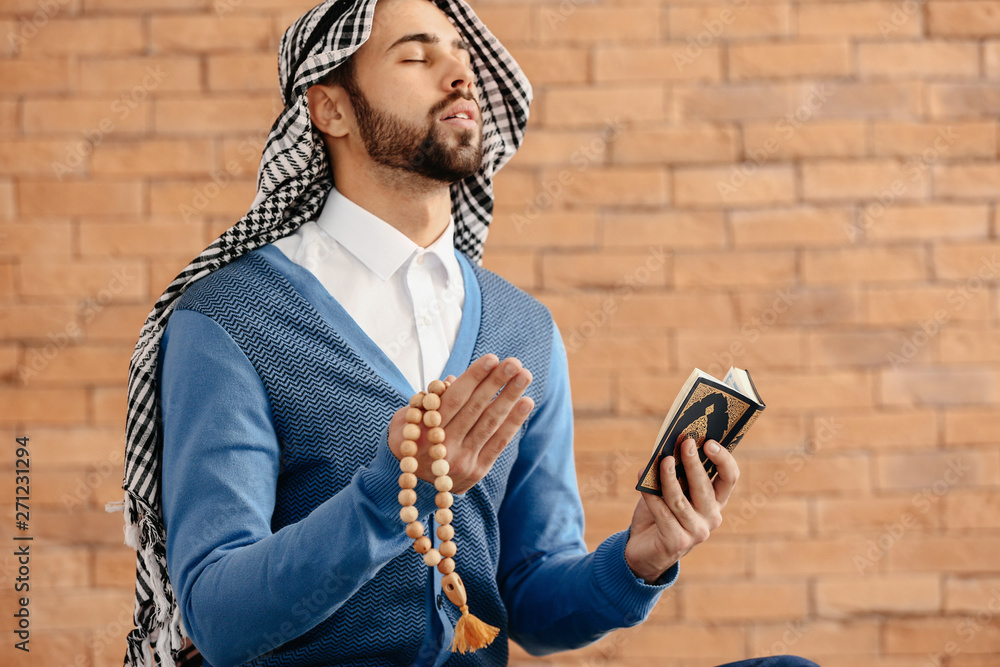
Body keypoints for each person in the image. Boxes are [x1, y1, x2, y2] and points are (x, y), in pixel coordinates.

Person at [115, 1, 820, 666]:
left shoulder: (523, 328)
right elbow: (219, 617)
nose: (460, 74)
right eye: (417, 58)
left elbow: (532, 602)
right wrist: (396, 492)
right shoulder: (231, 318)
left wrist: (637, 560)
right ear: (330, 108)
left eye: (461, 55)